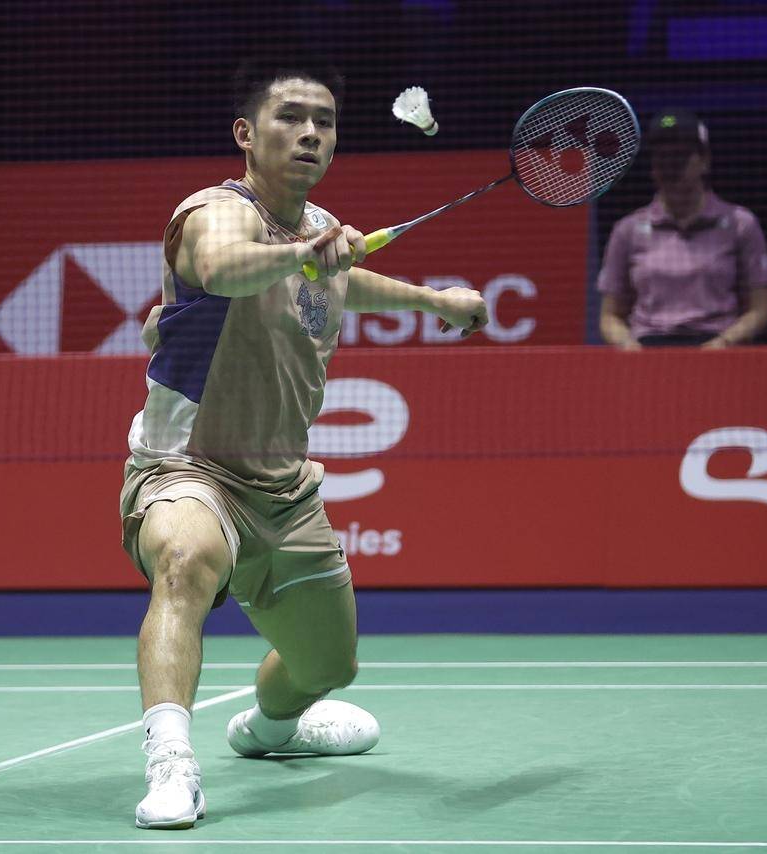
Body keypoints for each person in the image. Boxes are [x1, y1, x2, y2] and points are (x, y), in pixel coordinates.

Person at [121, 61, 487, 830]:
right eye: (289, 116)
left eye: (324, 120)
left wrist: (434, 301)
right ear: (246, 133)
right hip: (189, 464)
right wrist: (305, 252)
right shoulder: (215, 212)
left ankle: (271, 730)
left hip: (285, 490)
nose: (310, 132)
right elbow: (222, 267)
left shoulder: (319, 229)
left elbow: (344, 278)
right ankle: (171, 764)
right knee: (184, 561)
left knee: (328, 665)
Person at [597, 108, 767, 350]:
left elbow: (759, 309)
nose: (671, 165)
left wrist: (726, 341)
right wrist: (628, 344)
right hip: (648, 347)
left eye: (680, 155)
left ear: (704, 160)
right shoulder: (627, 230)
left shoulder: (740, 224)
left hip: (718, 346)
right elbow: (609, 316)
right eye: (662, 156)